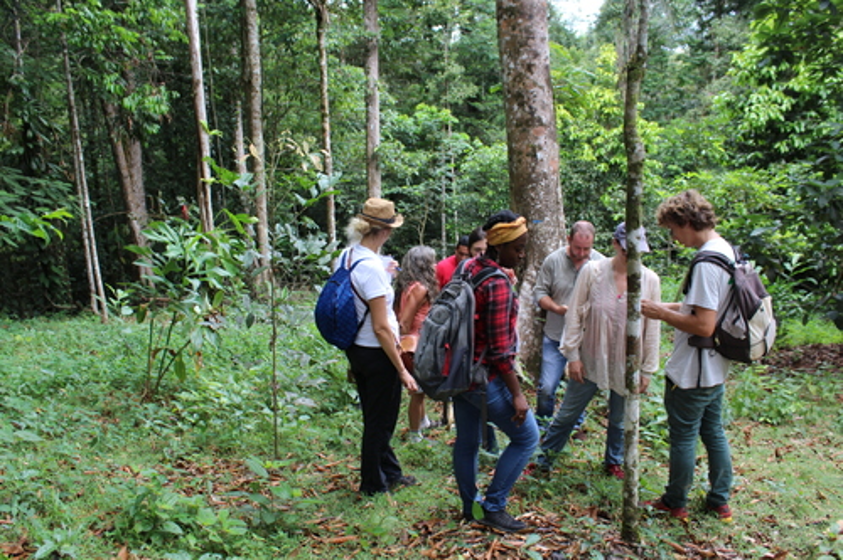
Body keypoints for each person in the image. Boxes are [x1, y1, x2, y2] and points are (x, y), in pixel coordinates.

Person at [535, 223, 661, 479]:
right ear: (615, 244)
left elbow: (652, 328)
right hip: (591, 355)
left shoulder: (649, 280)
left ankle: (613, 461)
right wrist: (573, 356)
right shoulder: (593, 272)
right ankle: (543, 460)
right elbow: (575, 317)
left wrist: (647, 369)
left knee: (619, 418)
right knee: (567, 415)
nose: (632, 256)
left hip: (627, 361)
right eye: (627, 250)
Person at [641, 189, 735, 522]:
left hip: (693, 372)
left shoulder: (707, 263)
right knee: (714, 432)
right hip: (715, 369)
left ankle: (675, 500)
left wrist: (661, 315)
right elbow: (702, 308)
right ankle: (719, 499)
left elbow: (704, 324)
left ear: (686, 222)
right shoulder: (725, 251)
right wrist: (661, 307)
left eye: (673, 229)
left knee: (683, 437)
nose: (674, 237)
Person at [452, 210, 539, 533]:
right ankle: (493, 506)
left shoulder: (468, 267)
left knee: (467, 441)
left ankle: (468, 506)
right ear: (498, 247)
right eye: (517, 248)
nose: (521, 253)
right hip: (483, 376)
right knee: (528, 436)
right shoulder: (498, 283)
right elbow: (501, 351)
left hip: (457, 371)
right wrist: (517, 394)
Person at [340, 197, 420, 496]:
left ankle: (391, 472)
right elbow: (381, 326)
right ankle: (372, 485)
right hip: (377, 352)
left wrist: (386, 273)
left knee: (375, 416)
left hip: (356, 349)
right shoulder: (372, 269)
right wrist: (401, 369)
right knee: (380, 421)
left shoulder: (347, 257)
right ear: (384, 231)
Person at [534, 221, 604, 429]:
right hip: (556, 335)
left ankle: (574, 425)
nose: (581, 253)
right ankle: (543, 425)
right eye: (577, 248)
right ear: (568, 240)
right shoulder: (553, 261)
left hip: (585, 338)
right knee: (547, 387)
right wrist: (556, 308)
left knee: (579, 385)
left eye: (586, 249)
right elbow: (539, 293)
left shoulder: (601, 263)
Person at [394, 246, 439, 443]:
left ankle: (423, 422)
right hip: (414, 344)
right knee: (418, 392)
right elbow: (404, 322)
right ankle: (414, 434)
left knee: (420, 389)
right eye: (433, 262)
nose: (436, 266)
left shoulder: (406, 287)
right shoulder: (419, 289)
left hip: (413, 343)